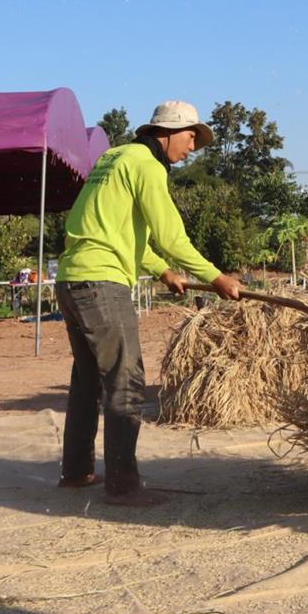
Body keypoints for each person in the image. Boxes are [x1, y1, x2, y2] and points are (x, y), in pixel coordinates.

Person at [55, 100, 242, 506]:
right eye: (191, 137)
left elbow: (117, 231)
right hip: (102, 283)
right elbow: (171, 235)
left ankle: (77, 471)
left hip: (72, 279)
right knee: (126, 381)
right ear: (169, 132)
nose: (192, 148)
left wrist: (162, 271)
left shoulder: (115, 159)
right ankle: (123, 486)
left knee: (88, 381)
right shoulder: (147, 165)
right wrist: (217, 277)